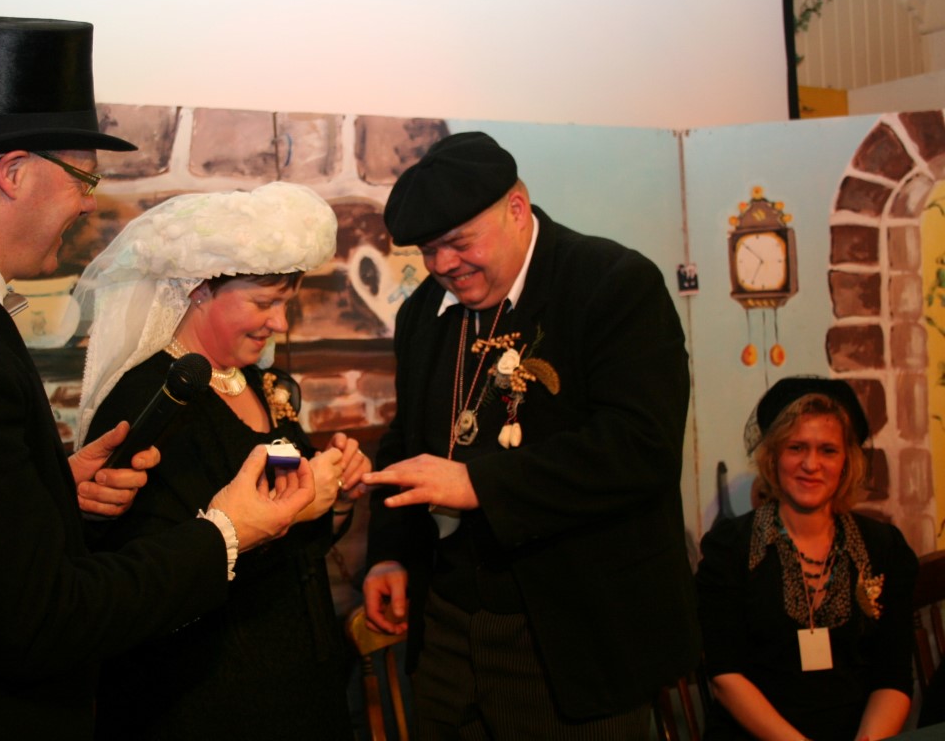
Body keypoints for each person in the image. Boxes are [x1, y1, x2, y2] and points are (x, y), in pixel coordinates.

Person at [0, 16, 314, 740]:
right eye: (83, 178)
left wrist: (45, 492)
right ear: (13, 172)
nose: (89, 203)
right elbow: (37, 621)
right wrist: (229, 530)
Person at [360, 131, 699, 739]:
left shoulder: (613, 283)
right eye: (428, 250)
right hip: (446, 634)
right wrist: (390, 553)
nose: (442, 266)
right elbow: (407, 440)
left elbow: (638, 447)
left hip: (574, 639)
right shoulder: (422, 313)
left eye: (459, 243)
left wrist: (479, 484)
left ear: (516, 209)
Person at [75, 182, 370, 740]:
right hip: (205, 696)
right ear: (199, 291)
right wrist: (299, 507)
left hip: (297, 678)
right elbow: (145, 576)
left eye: (286, 304)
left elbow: (296, 532)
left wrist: (333, 494)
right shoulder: (148, 402)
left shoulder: (262, 383)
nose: (280, 324)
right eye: (263, 303)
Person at [695, 376, 917, 741]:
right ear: (772, 456)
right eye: (796, 447)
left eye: (828, 450)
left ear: (847, 461)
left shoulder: (883, 547)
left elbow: (892, 678)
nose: (811, 464)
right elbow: (725, 677)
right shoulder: (730, 548)